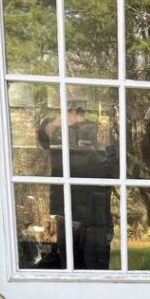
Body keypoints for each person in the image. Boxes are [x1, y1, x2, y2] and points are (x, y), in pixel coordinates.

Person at [37, 100, 118, 269]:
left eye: (77, 111)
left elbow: (114, 167)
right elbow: (42, 139)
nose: (73, 114)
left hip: (96, 208)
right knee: (70, 266)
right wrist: (57, 123)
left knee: (97, 265)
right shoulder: (54, 127)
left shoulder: (96, 128)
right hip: (66, 207)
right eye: (68, 109)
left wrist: (94, 153)